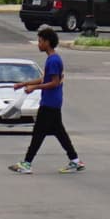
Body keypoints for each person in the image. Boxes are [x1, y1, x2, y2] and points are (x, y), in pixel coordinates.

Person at [14, 26, 81, 171]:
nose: (38, 44)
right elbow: (45, 79)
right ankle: (75, 160)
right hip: (52, 102)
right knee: (59, 132)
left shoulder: (53, 61)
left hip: (50, 103)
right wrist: (24, 84)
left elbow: (54, 83)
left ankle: (27, 163)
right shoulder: (52, 59)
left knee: (38, 133)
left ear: (47, 42)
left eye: (40, 41)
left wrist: (34, 88)